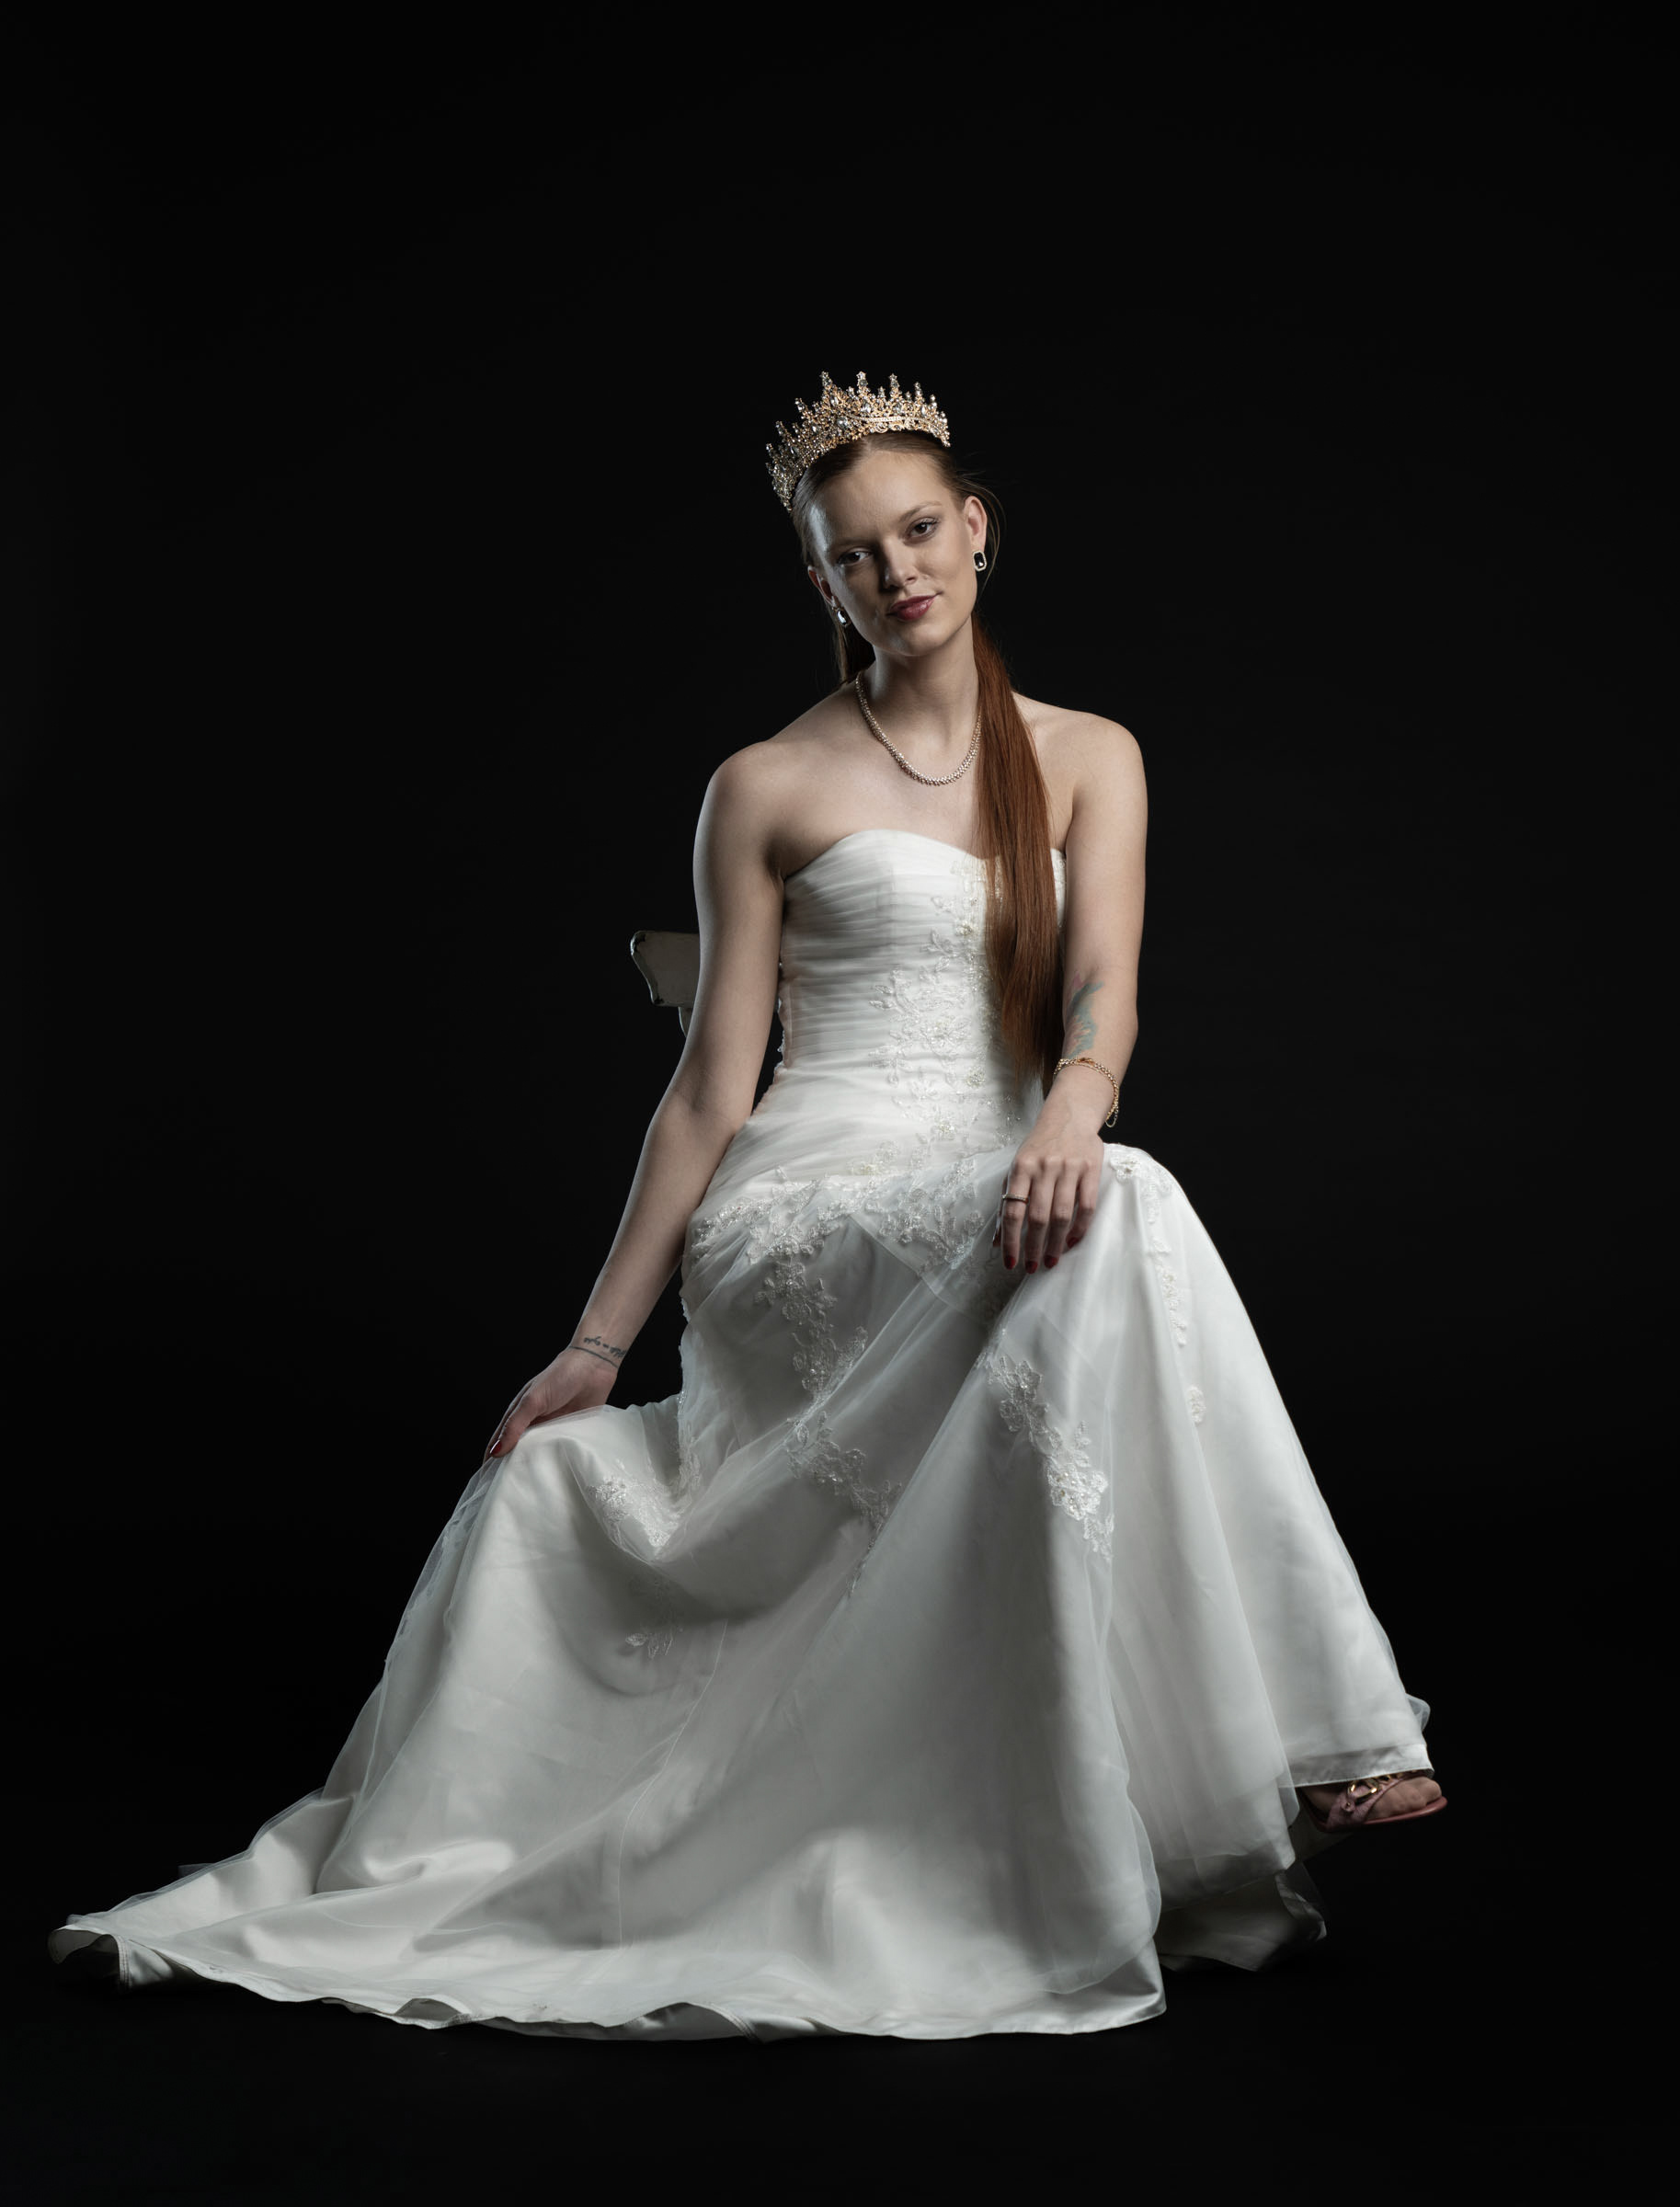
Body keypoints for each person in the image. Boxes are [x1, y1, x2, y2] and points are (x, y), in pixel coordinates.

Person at [50, 371, 1445, 2041]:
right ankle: (1334, 1735)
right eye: (855, 555)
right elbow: (711, 1091)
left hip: (1010, 1165)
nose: (898, 572)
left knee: (1103, 1218)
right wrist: (594, 1345)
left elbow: (1107, 997)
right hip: (806, 1211)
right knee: (1114, 1213)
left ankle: (1125, 1812)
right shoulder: (765, 785)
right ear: (822, 584)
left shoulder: (1092, 758)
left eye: (920, 530)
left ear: (978, 529)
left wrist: (1074, 1104)